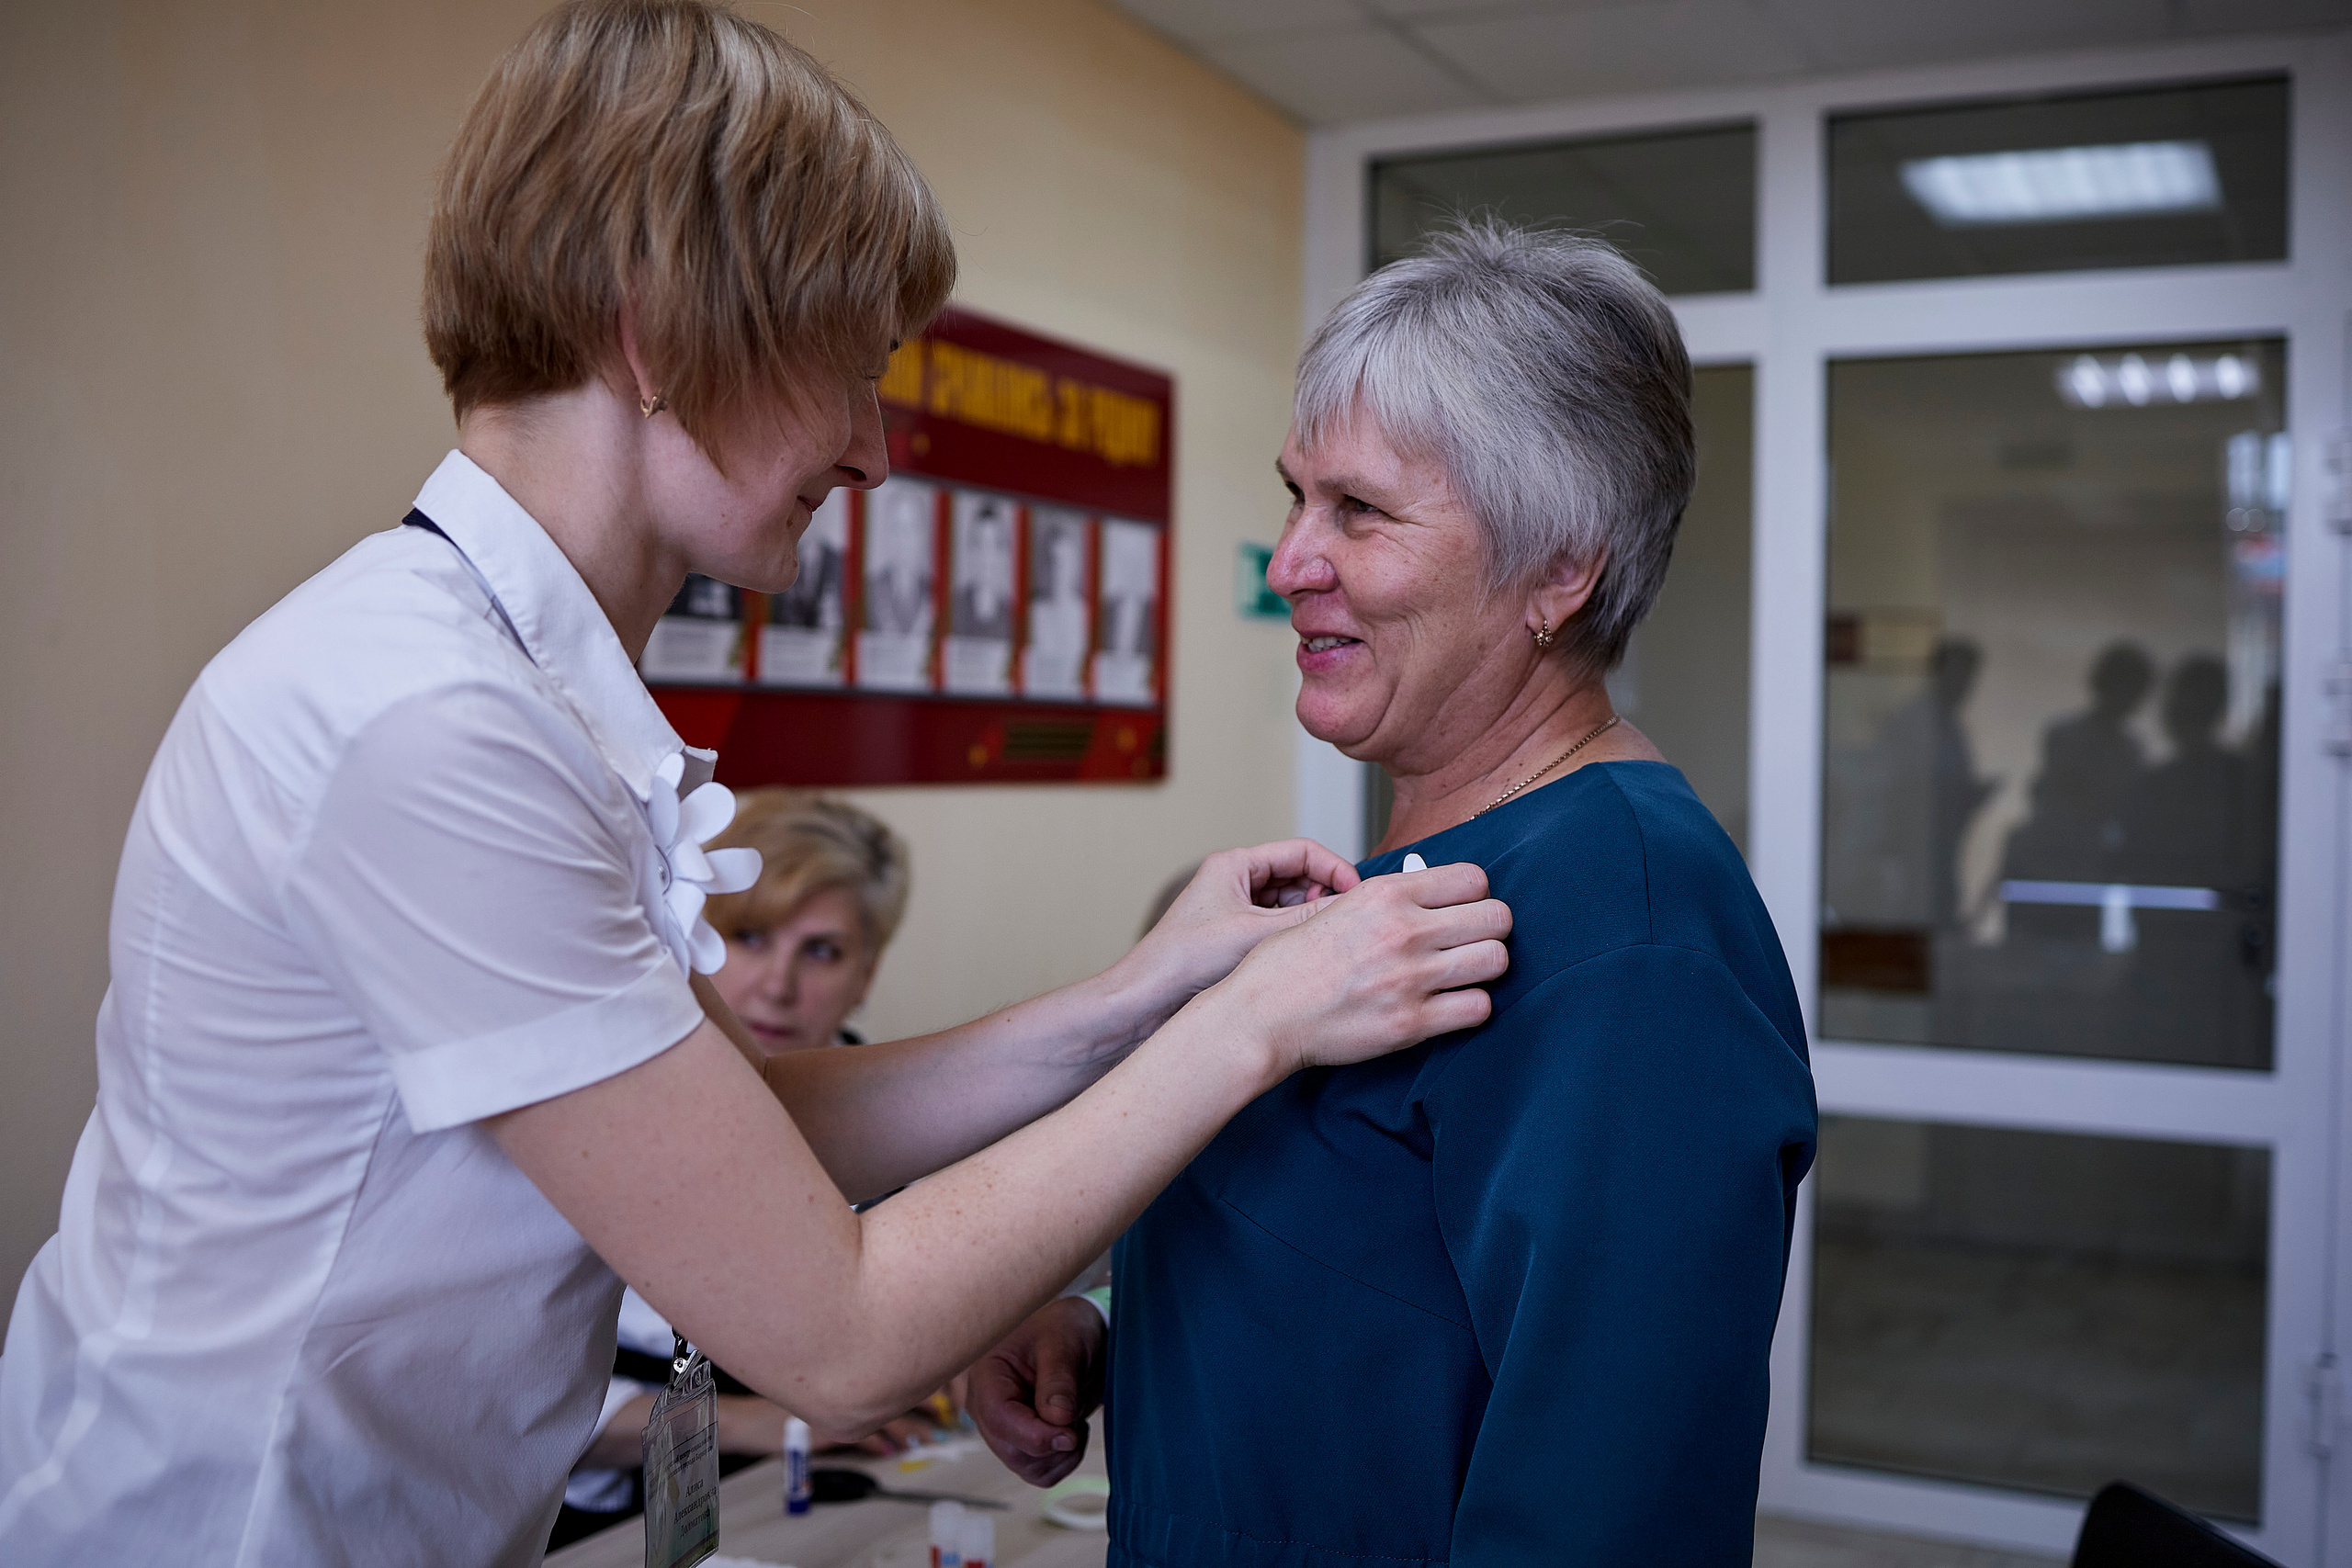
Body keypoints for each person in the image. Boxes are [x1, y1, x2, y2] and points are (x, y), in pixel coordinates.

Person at [0, 7, 1513, 1564]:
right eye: (850, 373)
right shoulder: (424, 722)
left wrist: (1140, 992)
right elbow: (835, 1332)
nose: (872, 450)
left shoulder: (508, 689)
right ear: (659, 334)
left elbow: (753, 1129)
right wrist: (1249, 1027)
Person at [970, 222, 1817, 1564]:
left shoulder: (1629, 930)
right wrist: (1130, 1338)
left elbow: (1611, 1502)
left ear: (1560, 567)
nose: (1291, 560)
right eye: (1295, 496)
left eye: (1358, 511)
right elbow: (1382, 1303)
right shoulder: (1406, 880)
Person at [552, 792, 935, 1551]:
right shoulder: (595, 1113)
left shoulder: (906, 1118)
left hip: (808, 1515)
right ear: (689, 937)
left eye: (821, 951)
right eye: (750, 937)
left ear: (867, 974)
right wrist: (769, 1421)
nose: (777, 985)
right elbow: (524, 1410)